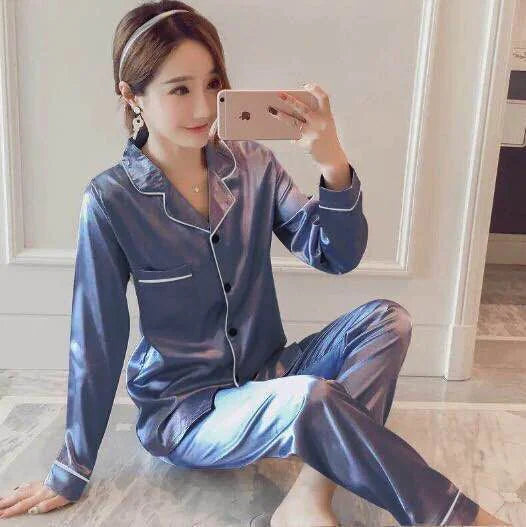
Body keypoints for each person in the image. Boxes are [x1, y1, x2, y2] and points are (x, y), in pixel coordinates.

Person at [0, 2, 510, 525]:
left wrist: (332, 162)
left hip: (269, 375)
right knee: (309, 399)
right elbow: (96, 339)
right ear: (132, 97)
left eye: (212, 83)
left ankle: (309, 494)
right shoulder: (110, 200)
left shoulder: (253, 165)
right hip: (187, 412)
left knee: (387, 321)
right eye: (179, 89)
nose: (203, 107)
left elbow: (334, 254)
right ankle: (458, 519)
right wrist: (70, 470)